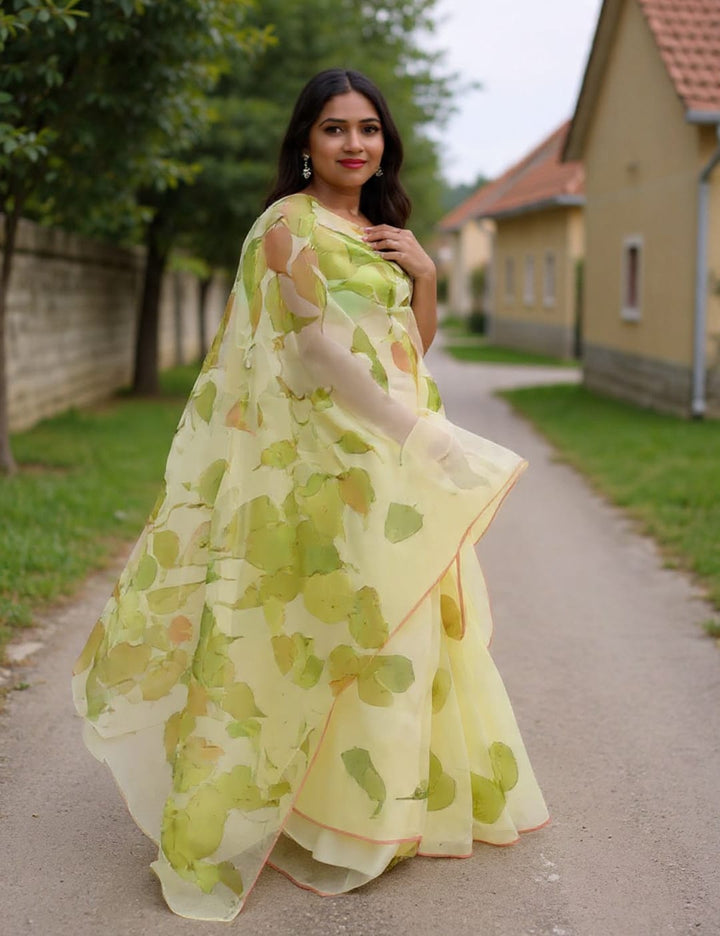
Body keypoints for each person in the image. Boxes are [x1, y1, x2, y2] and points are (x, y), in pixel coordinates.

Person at [72, 67, 548, 922]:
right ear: (305, 141)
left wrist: (428, 275)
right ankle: (327, 825)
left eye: (368, 129)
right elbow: (322, 356)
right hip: (328, 464)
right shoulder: (286, 230)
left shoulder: (378, 230)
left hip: (395, 461)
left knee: (412, 634)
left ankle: (386, 814)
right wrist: (422, 437)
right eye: (335, 129)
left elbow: (409, 350)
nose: (354, 143)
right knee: (345, 630)